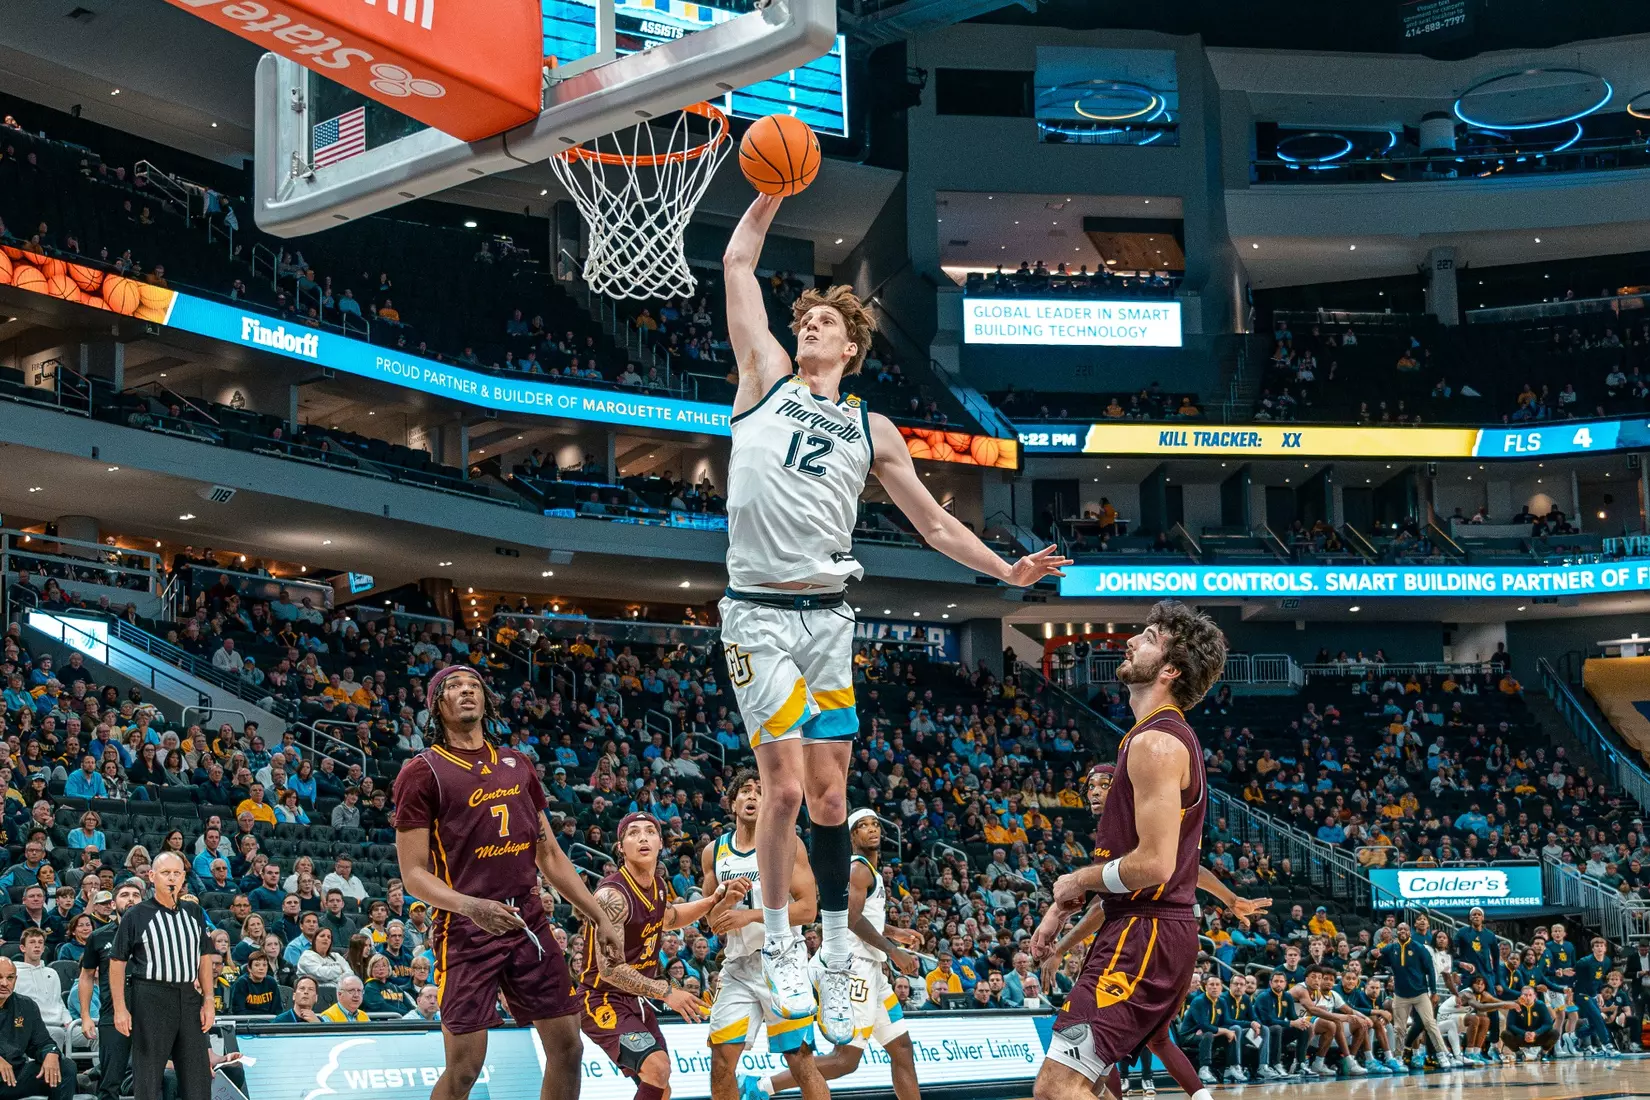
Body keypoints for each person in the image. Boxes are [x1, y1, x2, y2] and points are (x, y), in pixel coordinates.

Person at [720, 194, 1070, 1042]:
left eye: (824, 323)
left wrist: (1005, 569)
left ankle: (837, 957)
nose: (808, 328)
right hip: (758, 615)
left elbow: (935, 523)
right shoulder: (762, 380)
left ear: (850, 347)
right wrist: (770, 193)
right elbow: (737, 267)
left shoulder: (873, 429)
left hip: (828, 618)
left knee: (833, 800)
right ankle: (779, 948)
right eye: (804, 319)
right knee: (786, 788)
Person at [393, 666, 622, 1100]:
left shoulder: (518, 764)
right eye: (455, 687)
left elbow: (550, 854)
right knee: (464, 1068)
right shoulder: (422, 772)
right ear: (436, 704)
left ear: (486, 699)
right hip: (464, 928)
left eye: (474, 686)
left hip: (527, 921)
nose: (466, 692)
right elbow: (414, 876)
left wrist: (597, 917)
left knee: (569, 1046)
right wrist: (472, 906)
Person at [1029, 601, 1227, 1100]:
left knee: (1058, 1090)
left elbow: (1154, 865)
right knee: (1094, 1086)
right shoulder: (1149, 738)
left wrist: (1075, 881)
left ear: (1170, 669)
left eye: (1150, 636)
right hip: (1142, 930)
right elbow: (1137, 860)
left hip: (1144, 933)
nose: (1131, 641)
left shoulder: (1157, 743)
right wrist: (1060, 907)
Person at [1031, 762, 1270, 1095]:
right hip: (1168, 935)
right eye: (1092, 786)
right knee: (1135, 1046)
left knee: (1061, 1080)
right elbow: (1189, 868)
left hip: (1146, 932)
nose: (1097, 791)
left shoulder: (1130, 820)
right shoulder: (1135, 823)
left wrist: (1059, 939)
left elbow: (1103, 903)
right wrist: (1230, 898)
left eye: (1105, 784)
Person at [749, 809, 922, 1100]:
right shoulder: (858, 868)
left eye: (875, 824)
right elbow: (850, 918)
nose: (872, 830)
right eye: (863, 826)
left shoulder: (868, 870)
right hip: (853, 970)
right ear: (852, 836)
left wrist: (894, 933)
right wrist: (894, 952)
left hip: (872, 972)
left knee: (901, 1048)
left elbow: (864, 914)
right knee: (845, 1060)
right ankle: (761, 1086)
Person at [577, 814, 732, 1100]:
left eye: (650, 832)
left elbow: (670, 918)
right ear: (621, 847)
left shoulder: (658, 885)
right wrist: (666, 992)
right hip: (601, 998)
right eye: (634, 833)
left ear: (661, 843)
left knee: (661, 1085)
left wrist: (711, 901)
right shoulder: (612, 895)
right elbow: (610, 969)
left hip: (635, 998)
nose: (644, 837)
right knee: (656, 1068)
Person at [701, 770, 826, 1100]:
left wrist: (750, 915)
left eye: (760, 791)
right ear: (733, 802)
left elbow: (808, 910)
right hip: (739, 968)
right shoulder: (713, 852)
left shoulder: (789, 844)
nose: (753, 796)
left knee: (800, 1061)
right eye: (746, 791)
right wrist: (726, 900)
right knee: (721, 1063)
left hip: (784, 964)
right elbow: (712, 923)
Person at [108, 852, 213, 1100]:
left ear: (184, 877)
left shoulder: (194, 912)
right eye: (166, 873)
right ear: (152, 877)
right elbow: (116, 962)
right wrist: (120, 1008)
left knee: (197, 1074)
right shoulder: (136, 914)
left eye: (177, 873)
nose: (171, 878)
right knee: (148, 1075)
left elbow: (205, 956)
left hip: (189, 996)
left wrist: (209, 999)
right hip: (150, 996)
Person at [78, 881, 144, 1100]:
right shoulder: (99, 936)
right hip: (113, 1015)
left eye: (136, 895)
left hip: (151, 1014)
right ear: (114, 903)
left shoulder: (156, 935)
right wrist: (86, 1016)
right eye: (125, 895)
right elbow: (87, 976)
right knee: (110, 1083)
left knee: (151, 1080)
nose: (131, 899)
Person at [1374, 922, 1451, 1069]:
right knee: (1399, 1028)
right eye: (1400, 929)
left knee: (1430, 1023)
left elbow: (1430, 970)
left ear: (1409, 932)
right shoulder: (1392, 947)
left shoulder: (1419, 948)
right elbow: (1379, 957)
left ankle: (1442, 1054)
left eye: (1405, 929)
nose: (1403, 931)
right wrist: (1374, 954)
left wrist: (1433, 992)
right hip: (1401, 994)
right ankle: (1398, 1057)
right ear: (1397, 932)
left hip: (1420, 992)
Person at [0, 958, 70, 1100]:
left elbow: (42, 1042)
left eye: (10, 977)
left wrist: (51, 1053)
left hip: (15, 1076)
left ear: (16, 979)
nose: (4, 983)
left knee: (66, 1067)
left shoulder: (26, 1005)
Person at [1503, 986, 1558, 1062]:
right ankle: (1519, 1054)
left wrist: (1535, 1033)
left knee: (1554, 1033)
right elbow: (1510, 1025)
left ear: (1535, 996)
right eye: (1525, 995)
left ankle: (1543, 1053)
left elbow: (1548, 1024)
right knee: (1505, 1034)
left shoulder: (1540, 1005)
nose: (1528, 997)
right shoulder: (1515, 1006)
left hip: (1537, 1037)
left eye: (1530, 995)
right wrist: (1524, 1033)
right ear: (1520, 996)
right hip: (1521, 1037)